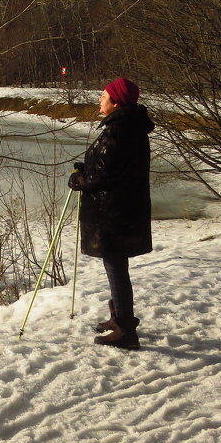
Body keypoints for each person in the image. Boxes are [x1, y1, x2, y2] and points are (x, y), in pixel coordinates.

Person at [68, 77, 154, 350]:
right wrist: (89, 166)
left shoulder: (119, 130)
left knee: (115, 266)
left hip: (115, 213)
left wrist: (79, 180)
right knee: (116, 266)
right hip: (124, 210)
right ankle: (121, 318)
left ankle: (125, 330)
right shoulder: (129, 127)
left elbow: (104, 175)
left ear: (116, 102)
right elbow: (113, 166)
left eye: (103, 96)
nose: (99, 100)